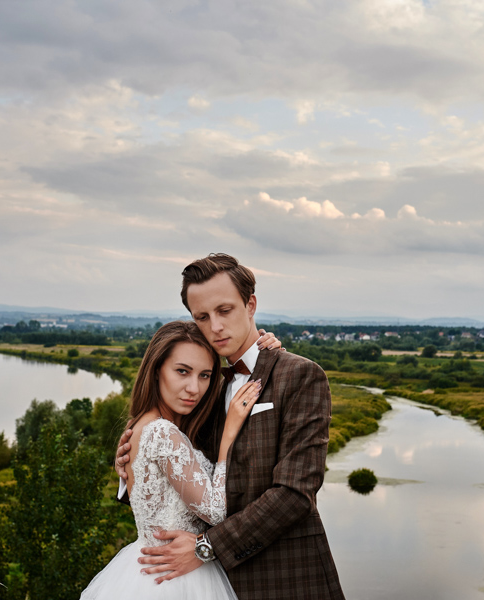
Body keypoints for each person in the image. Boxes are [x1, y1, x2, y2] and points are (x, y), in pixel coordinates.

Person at [116, 253, 345, 600]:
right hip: (203, 584)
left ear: (250, 305)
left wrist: (206, 547)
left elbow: (295, 494)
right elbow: (183, 478)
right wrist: (133, 464)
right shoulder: (205, 388)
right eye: (202, 317)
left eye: (225, 310)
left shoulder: (300, 375)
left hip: (285, 578)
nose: (215, 327)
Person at [81, 320, 263, 600]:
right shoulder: (162, 432)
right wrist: (229, 435)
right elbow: (215, 512)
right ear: (156, 371)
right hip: (173, 578)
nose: (194, 388)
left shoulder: (141, 424)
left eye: (205, 375)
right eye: (182, 371)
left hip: (148, 571)